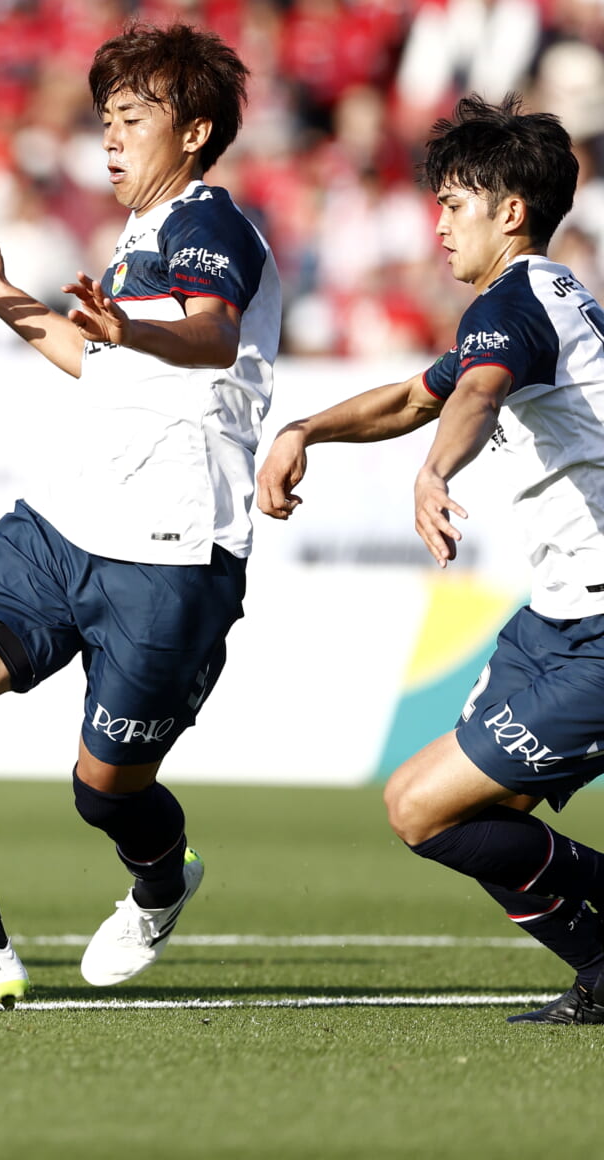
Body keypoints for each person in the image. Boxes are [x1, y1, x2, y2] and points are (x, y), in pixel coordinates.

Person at [0, 22, 282, 1010]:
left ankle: (162, 877)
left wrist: (126, 326)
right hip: (63, 524)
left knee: (105, 789)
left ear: (195, 132)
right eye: (105, 118)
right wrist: (1, 295)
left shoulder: (210, 224)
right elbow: (98, 361)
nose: (111, 135)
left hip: (172, 550)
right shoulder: (138, 238)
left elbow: (212, 337)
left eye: (134, 117)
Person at [258, 95, 604, 1025]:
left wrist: (434, 472)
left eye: (454, 203)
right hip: (555, 618)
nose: (439, 223)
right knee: (464, 817)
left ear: (511, 212)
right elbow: (420, 395)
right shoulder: (535, 303)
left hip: (599, 626)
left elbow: (473, 397)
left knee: (423, 809)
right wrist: (304, 430)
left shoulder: (516, 303)